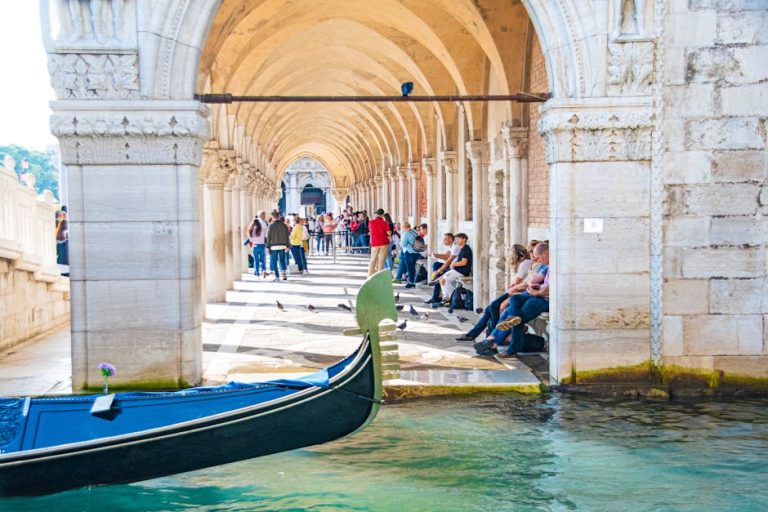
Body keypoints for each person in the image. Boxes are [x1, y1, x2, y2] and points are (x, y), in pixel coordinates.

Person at [474, 243, 550, 357]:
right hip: (534, 293)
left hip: (543, 299)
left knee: (518, 317)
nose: (536, 260)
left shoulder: (557, 266)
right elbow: (533, 280)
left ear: (546, 253)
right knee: (513, 302)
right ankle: (492, 339)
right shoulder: (545, 266)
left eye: (538, 257)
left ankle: (505, 347)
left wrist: (537, 291)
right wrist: (533, 286)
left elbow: (553, 288)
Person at [455, 243, 532, 341]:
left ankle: (491, 335)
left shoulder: (526, 263)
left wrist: (514, 286)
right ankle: (482, 334)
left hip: (519, 292)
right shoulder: (524, 263)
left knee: (493, 307)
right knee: (490, 308)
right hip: (516, 291)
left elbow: (515, 282)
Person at [438, 233, 472, 303]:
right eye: (456, 239)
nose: (456, 241)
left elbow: (464, 262)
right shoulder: (462, 248)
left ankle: (451, 298)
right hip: (457, 270)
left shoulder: (466, 249)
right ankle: (446, 298)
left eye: (458, 239)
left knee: (444, 280)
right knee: (441, 279)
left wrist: (453, 264)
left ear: (464, 239)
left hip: (462, 271)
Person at [266, 210, 290, 281]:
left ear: (272, 217)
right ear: (278, 216)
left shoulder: (271, 226)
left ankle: (277, 276)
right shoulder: (284, 225)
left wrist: (268, 247)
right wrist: (288, 246)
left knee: (274, 261)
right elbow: (287, 236)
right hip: (283, 246)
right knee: (282, 260)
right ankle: (284, 274)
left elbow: (269, 237)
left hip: (274, 246)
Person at [368, 208, 392, 276]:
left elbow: (370, 231)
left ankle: (370, 275)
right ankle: (378, 275)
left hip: (375, 243)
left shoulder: (371, 222)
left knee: (373, 259)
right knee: (382, 260)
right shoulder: (384, 223)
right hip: (383, 243)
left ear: (377, 214)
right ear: (383, 215)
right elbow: (389, 233)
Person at [247, 211, 269, 278]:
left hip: (255, 246)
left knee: (256, 260)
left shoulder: (253, 228)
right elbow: (267, 235)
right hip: (262, 245)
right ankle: (264, 270)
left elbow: (251, 239)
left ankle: (257, 273)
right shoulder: (264, 225)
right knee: (263, 259)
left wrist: (247, 241)